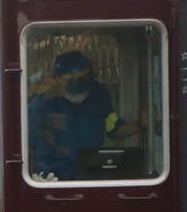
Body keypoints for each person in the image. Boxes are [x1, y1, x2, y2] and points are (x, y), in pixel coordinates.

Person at [28, 50, 143, 180]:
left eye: (83, 82)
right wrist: (33, 180)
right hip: (53, 180)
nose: (79, 93)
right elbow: (24, 144)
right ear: (56, 80)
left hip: (92, 177)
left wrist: (140, 124)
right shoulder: (41, 105)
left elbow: (114, 129)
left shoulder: (99, 96)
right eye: (72, 84)